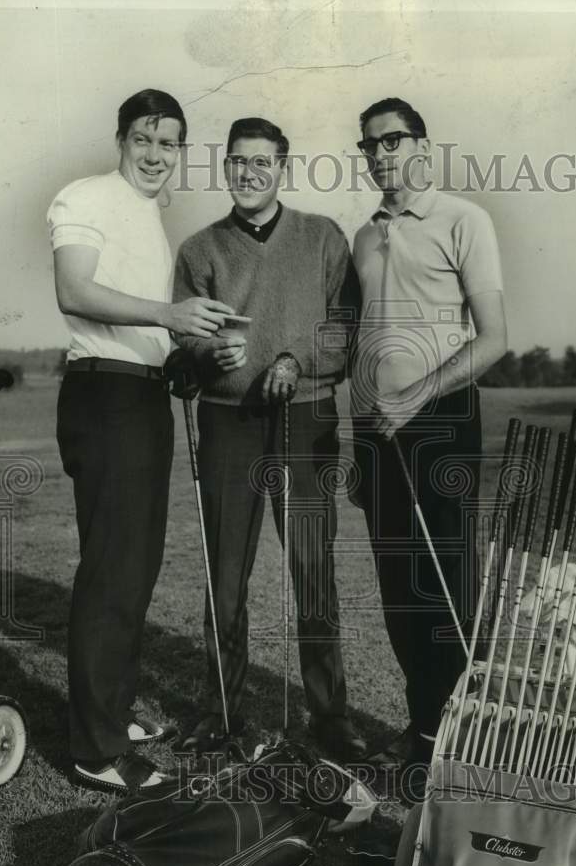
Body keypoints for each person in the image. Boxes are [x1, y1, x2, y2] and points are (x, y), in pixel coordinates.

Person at [47, 89, 235, 792]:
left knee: (133, 570)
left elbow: (148, 329)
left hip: (139, 396)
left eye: (169, 143)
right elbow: (74, 289)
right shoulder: (88, 195)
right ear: (120, 139)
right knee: (112, 573)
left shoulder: (146, 216)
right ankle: (96, 753)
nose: (156, 155)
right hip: (104, 397)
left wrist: (182, 355)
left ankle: (112, 714)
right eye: (143, 140)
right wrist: (168, 313)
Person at [172, 116, 366, 762]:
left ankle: (329, 715)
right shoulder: (200, 250)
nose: (249, 173)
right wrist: (204, 354)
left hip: (305, 417)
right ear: (224, 167)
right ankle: (221, 709)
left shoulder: (322, 238)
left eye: (262, 162)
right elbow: (185, 333)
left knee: (312, 569)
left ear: (282, 168)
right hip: (228, 423)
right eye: (237, 162)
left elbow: (344, 327)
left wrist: (296, 362)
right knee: (224, 574)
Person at [350, 97, 507, 775]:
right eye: (370, 146)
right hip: (375, 429)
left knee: (445, 585)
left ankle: (463, 737)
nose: (381, 155)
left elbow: (497, 338)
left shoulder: (463, 219)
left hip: (439, 420)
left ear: (421, 145)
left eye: (392, 141)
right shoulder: (362, 235)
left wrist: (414, 396)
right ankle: (421, 731)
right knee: (398, 589)